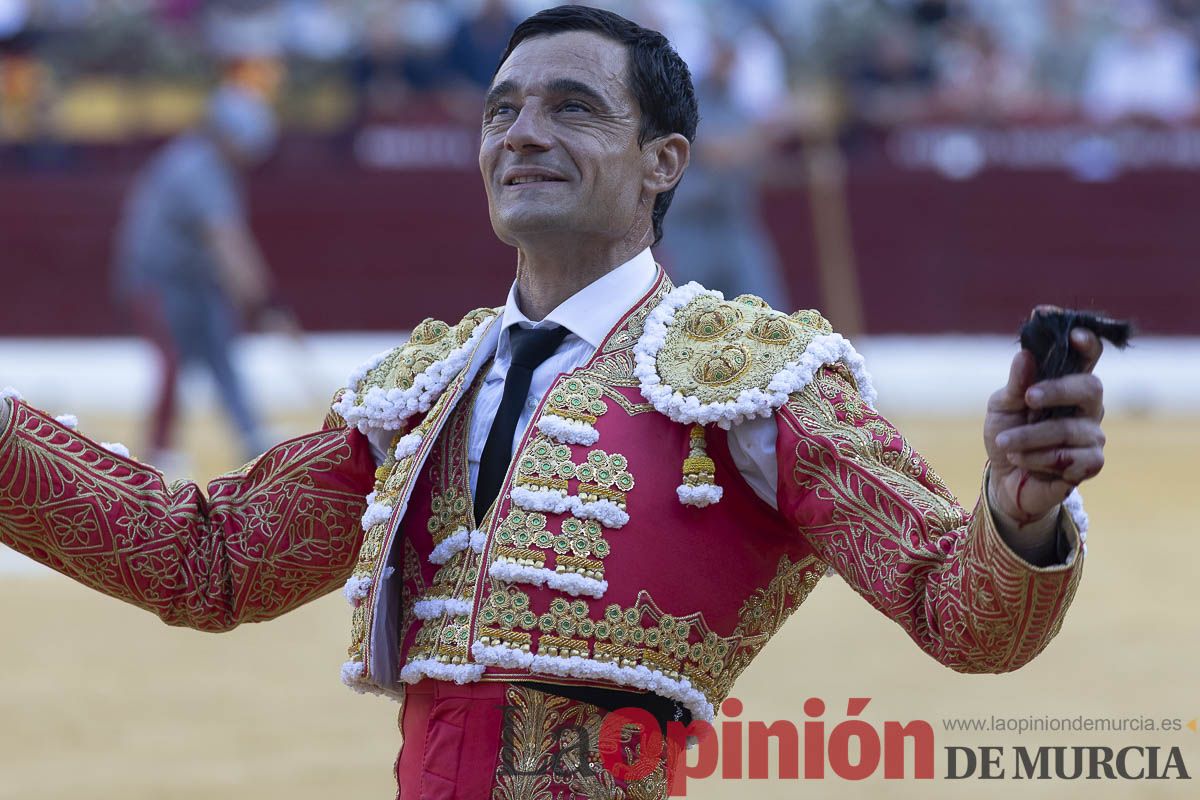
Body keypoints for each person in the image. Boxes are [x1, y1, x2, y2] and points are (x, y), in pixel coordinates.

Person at [1, 6, 1107, 798]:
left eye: (571, 108)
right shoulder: (426, 387)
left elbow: (958, 613)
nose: (519, 133)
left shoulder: (755, 379)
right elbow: (213, 560)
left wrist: (1019, 516)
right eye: (502, 109)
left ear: (664, 160)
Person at [111, 82, 288, 466]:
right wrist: (266, 302)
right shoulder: (199, 168)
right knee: (174, 361)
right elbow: (227, 242)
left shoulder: (204, 163)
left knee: (220, 353)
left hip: (195, 280)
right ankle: (159, 454)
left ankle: (251, 435)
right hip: (157, 281)